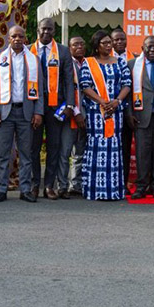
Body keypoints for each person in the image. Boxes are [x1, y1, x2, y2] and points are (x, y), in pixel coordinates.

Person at [0, 25, 44, 202]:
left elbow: (40, 88)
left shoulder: (34, 60)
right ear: (9, 39)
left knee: (26, 154)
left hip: (26, 112)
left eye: (21, 36)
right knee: (3, 154)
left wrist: (38, 112)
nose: (17, 39)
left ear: (25, 39)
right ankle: (2, 189)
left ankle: (25, 189)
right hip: (5, 112)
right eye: (14, 36)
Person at [79, 30, 131, 201]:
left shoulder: (120, 62)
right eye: (105, 43)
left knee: (114, 148)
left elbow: (127, 84)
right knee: (96, 147)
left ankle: (113, 190)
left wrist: (117, 101)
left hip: (115, 112)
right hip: (96, 113)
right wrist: (102, 101)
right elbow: (85, 85)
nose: (109, 46)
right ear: (97, 45)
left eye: (110, 42)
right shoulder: (89, 63)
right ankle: (95, 190)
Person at [29, 18, 75, 199]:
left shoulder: (63, 51)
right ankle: (34, 184)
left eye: (50, 29)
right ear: (38, 30)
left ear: (54, 31)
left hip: (56, 106)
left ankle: (49, 185)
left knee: (54, 147)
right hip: (34, 105)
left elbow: (69, 80)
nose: (46, 32)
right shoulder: (28, 50)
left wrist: (70, 104)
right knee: (33, 147)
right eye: (43, 29)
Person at [126, 36, 154, 200]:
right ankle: (141, 186)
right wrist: (129, 113)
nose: (152, 50)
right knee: (142, 154)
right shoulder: (132, 65)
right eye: (149, 47)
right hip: (140, 116)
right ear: (143, 48)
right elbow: (128, 91)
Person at [62, 36, 88, 197]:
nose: (79, 46)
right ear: (69, 48)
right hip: (70, 114)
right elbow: (65, 90)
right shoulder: (66, 64)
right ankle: (63, 185)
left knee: (80, 151)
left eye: (82, 44)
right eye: (75, 44)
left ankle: (76, 184)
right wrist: (76, 112)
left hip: (87, 116)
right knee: (65, 152)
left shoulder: (89, 64)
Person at [110, 27, 134, 191]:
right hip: (109, 109)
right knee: (110, 148)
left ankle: (123, 183)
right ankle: (110, 181)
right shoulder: (104, 59)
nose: (119, 42)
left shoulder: (135, 59)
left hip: (128, 110)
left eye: (122, 39)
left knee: (125, 148)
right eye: (116, 40)